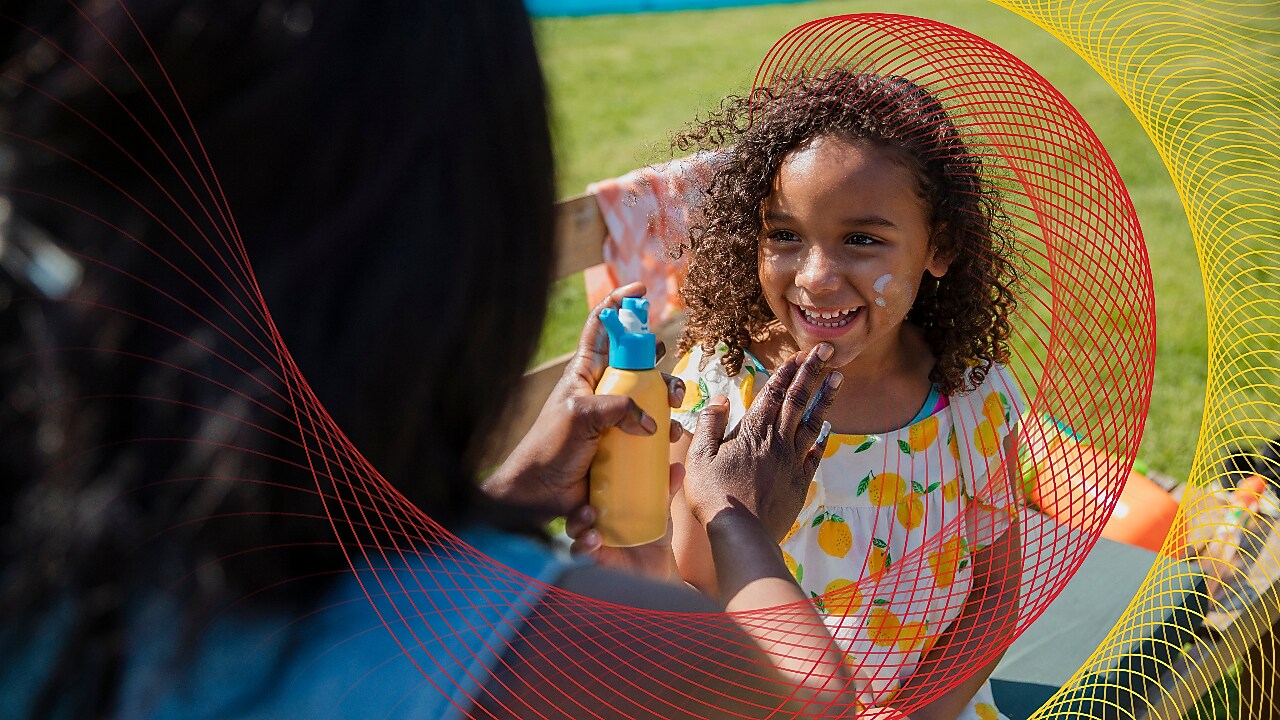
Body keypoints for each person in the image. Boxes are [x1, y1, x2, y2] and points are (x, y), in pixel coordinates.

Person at [0, 1, 843, 718]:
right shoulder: (563, 659)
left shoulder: (53, 581)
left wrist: (498, 503)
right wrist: (734, 519)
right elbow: (812, 703)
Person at [658, 69, 1025, 720]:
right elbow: (694, 590)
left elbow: (994, 594)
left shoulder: (973, 397)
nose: (817, 278)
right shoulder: (720, 391)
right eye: (785, 235)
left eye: (861, 239)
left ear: (939, 247)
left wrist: (919, 714)